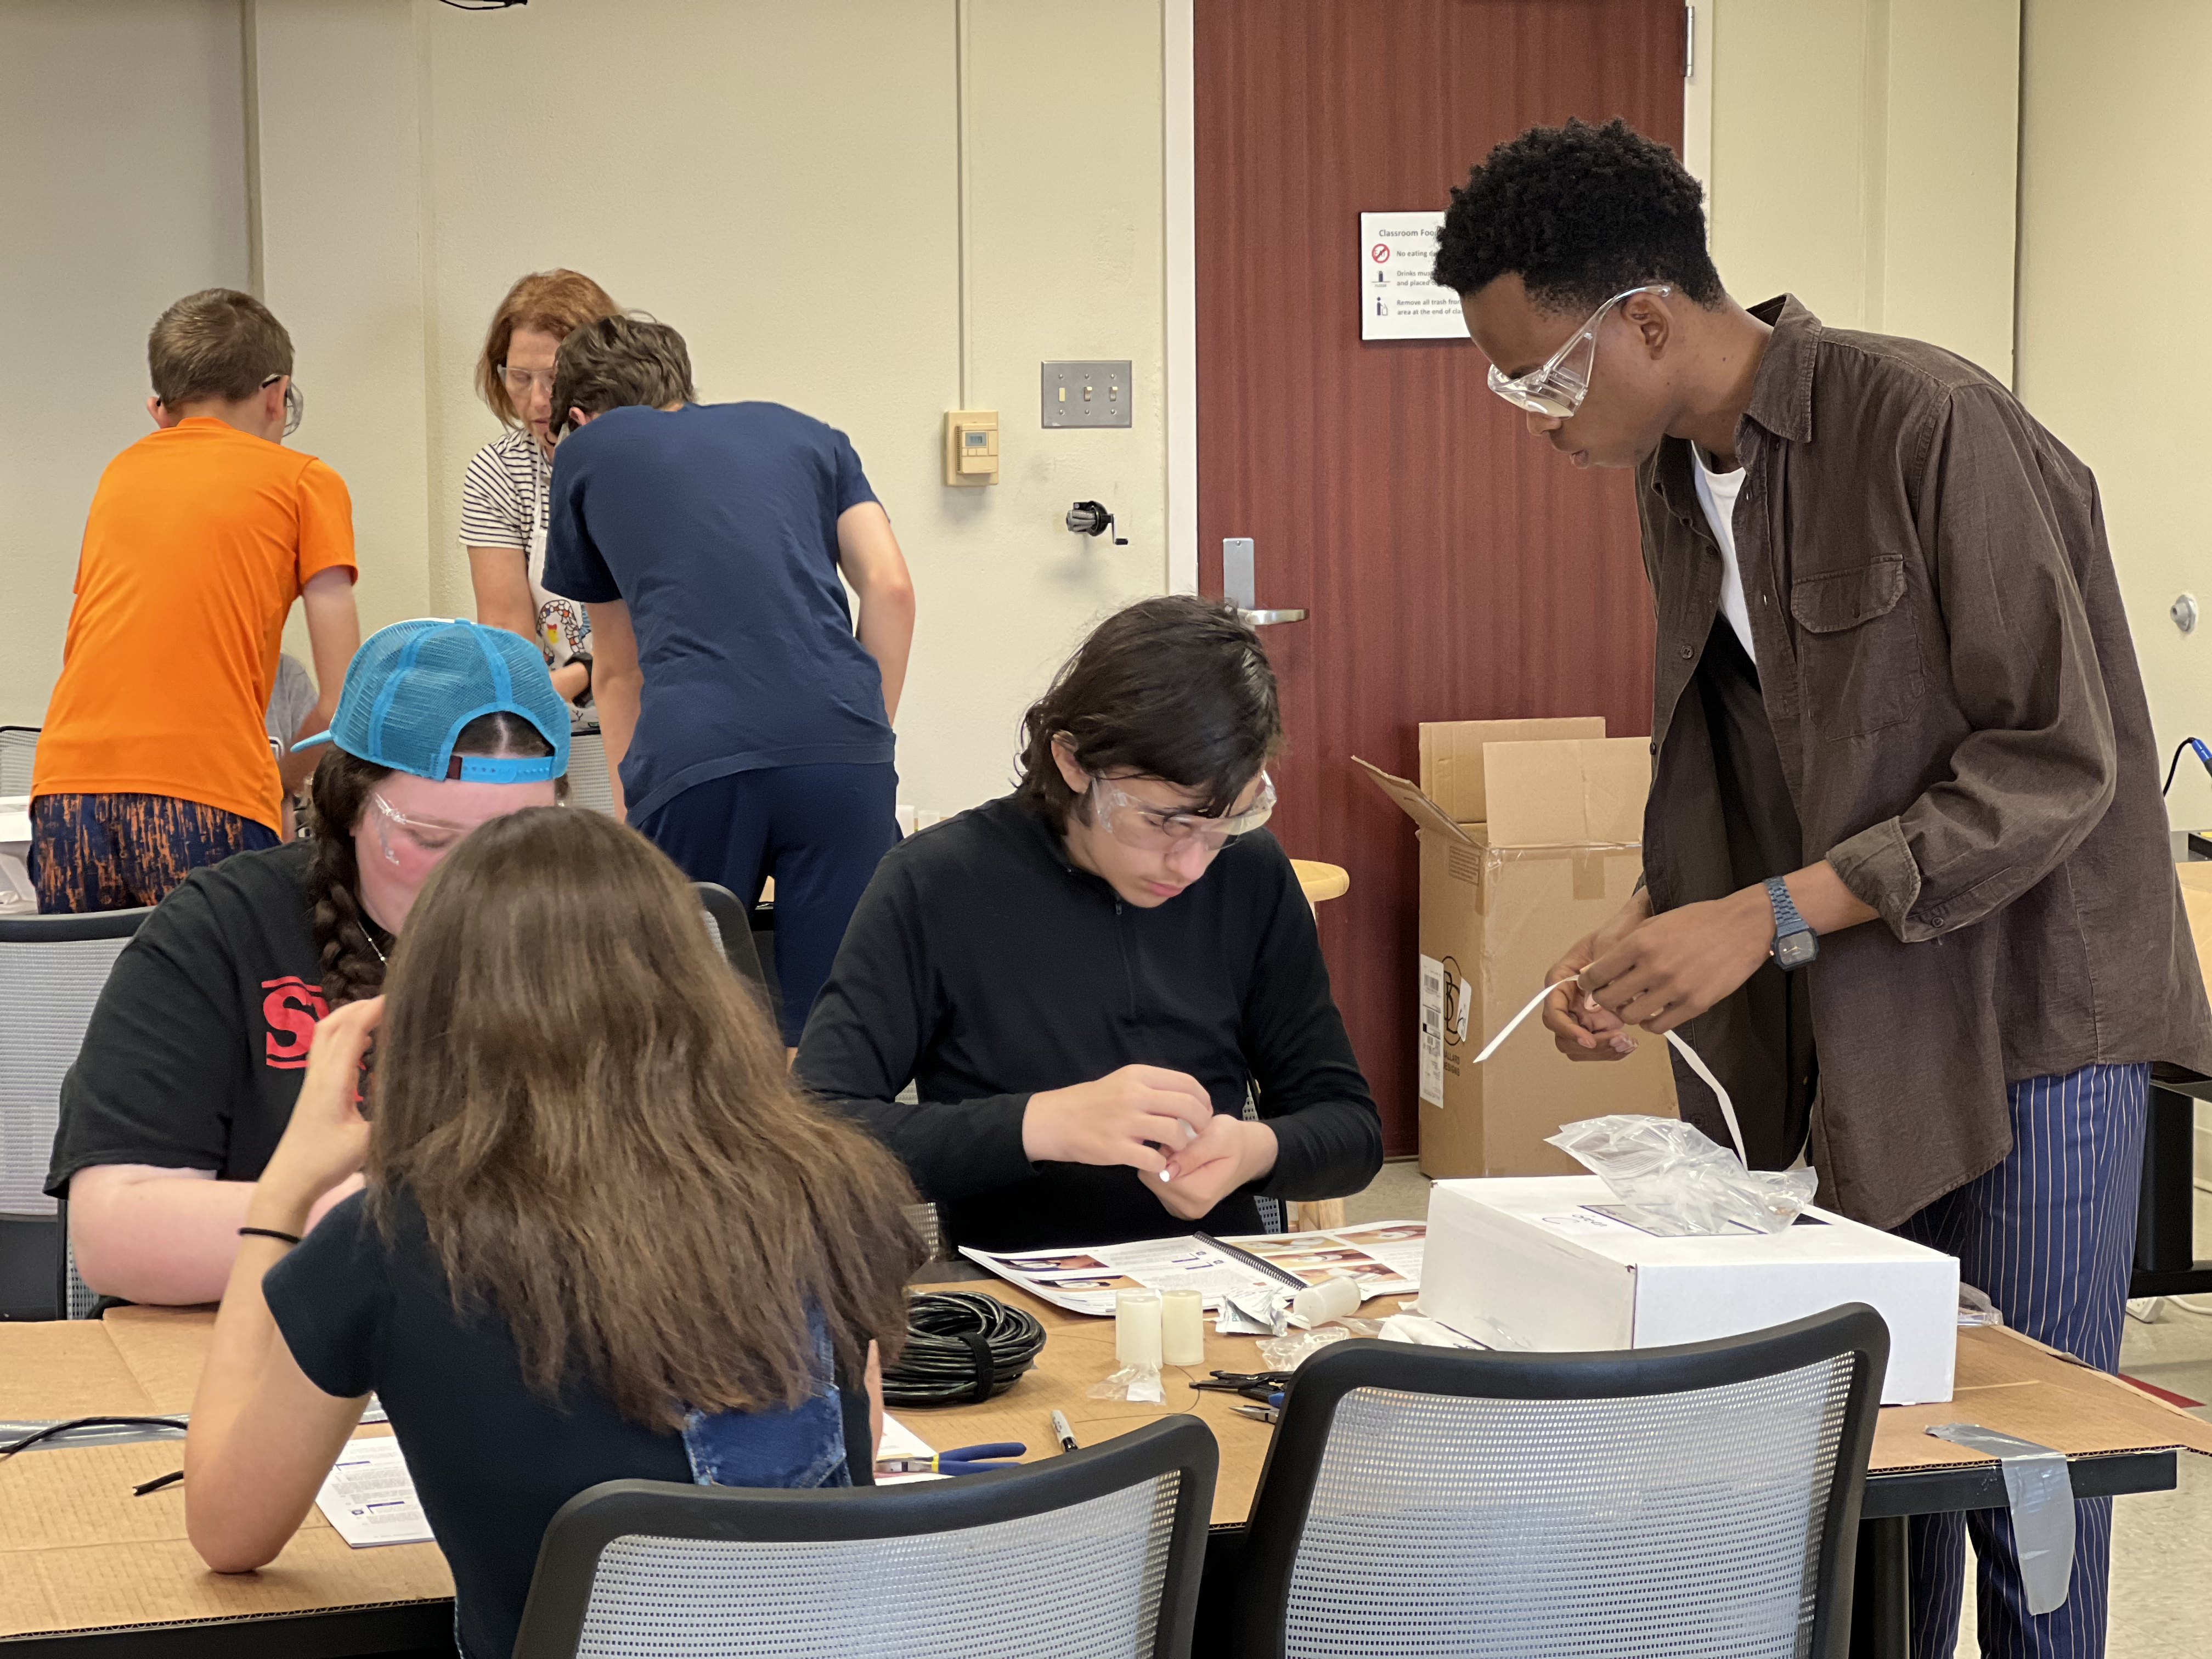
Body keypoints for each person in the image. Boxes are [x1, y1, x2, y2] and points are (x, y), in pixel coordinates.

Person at [1434, 117, 2212, 1659]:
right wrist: (1661, 926)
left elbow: (2056, 763)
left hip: (2030, 1016)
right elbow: (1761, 767)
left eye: (1540, 379)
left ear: (1646, 321)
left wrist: (1769, 917)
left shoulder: (1929, 422)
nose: (1533, 419)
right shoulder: (1679, 483)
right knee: (1882, 1458)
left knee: (2028, 1464)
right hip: (1864, 1017)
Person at [179, 808, 921, 1659]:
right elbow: (850, 1460)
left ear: (429, 1014)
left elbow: (227, 1530)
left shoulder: (387, 1245)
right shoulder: (833, 1192)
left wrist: (283, 1192)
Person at [795, 596, 1383, 1253]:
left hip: (1222, 1284)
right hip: (1017, 1293)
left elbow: (1351, 1130)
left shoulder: (1248, 872)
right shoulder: (938, 883)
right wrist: (1038, 1126)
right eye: (1162, 822)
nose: (1191, 864)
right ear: (1073, 762)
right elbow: (817, 1136)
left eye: (1225, 824)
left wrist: (1253, 1151)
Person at [47, 618, 569, 1307]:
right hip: (262, 1336)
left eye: (519, 842)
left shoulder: (598, 934)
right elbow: (117, 1236)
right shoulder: (224, 928)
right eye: (431, 839)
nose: (474, 879)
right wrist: (401, 1222)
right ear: (348, 806)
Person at [543, 314, 917, 1045]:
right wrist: (862, 727)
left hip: (696, 756)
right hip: (846, 754)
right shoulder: (812, 436)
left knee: (681, 1033)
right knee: (832, 1037)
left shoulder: (588, 451)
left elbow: (618, 666)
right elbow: (892, 589)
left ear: (578, 417)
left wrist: (632, 819)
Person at [30, 288, 362, 913]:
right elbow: (346, 701)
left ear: (161, 410)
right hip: (206, 794)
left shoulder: (120, 473)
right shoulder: (305, 481)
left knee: (94, 976)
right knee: (233, 975)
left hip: (67, 789)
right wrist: (281, 784)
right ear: (276, 395)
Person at [461, 269, 620, 719]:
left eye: (554, 378)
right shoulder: (499, 472)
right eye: (520, 378)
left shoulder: (640, 461)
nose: (537, 401)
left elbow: (665, 623)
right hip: (561, 722)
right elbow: (506, 630)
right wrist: (527, 700)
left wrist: (579, 676)